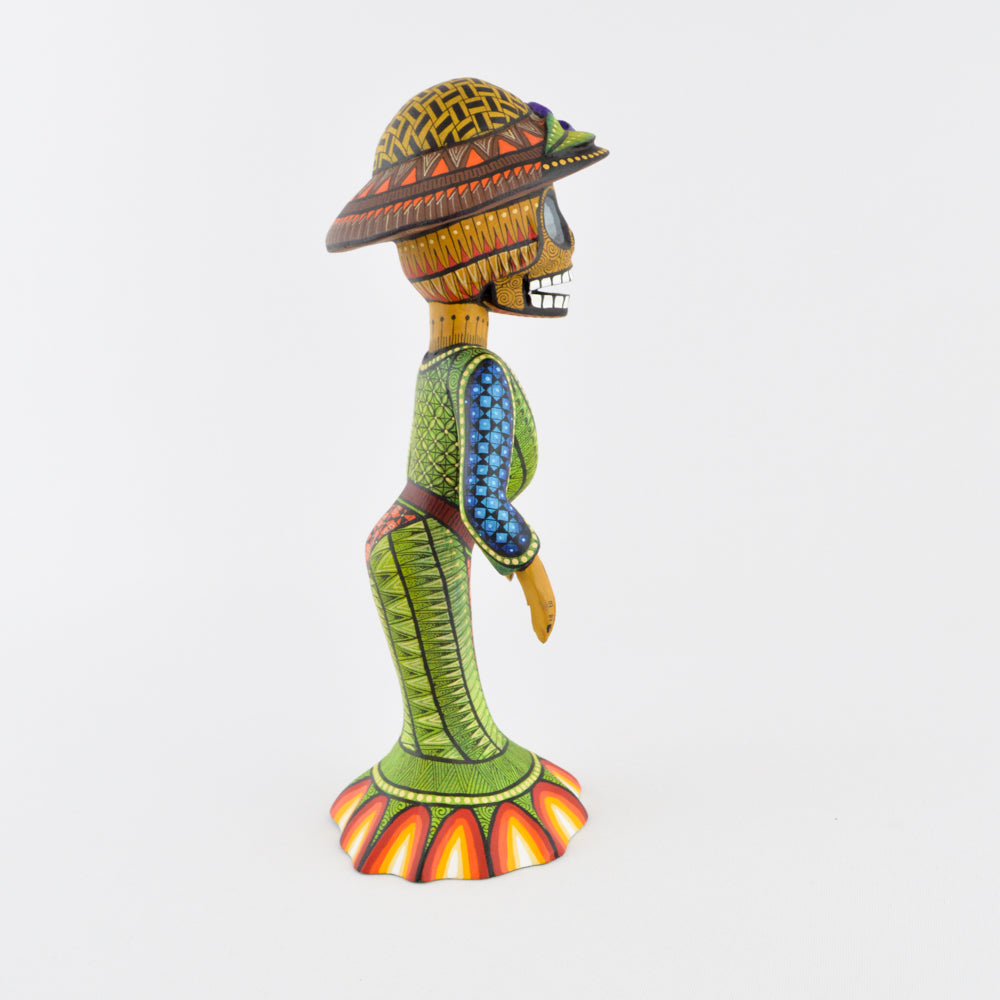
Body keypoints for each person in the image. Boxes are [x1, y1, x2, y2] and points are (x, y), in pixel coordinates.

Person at [326, 78, 607, 881]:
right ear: (490, 241)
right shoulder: (475, 373)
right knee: (454, 732)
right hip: (425, 548)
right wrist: (534, 576)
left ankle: (439, 793)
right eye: (546, 217)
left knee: (449, 712)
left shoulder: (445, 362)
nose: (565, 246)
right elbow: (481, 499)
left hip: (415, 542)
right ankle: (449, 813)